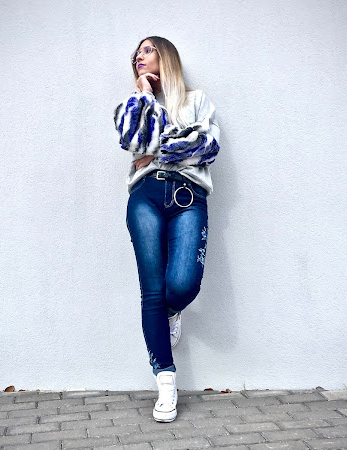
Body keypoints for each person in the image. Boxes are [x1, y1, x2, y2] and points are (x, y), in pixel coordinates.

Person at [113, 36, 221, 422]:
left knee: (182, 285)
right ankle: (166, 382)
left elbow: (206, 146)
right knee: (152, 292)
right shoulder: (133, 104)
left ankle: (171, 312)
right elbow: (134, 142)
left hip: (189, 197)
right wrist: (144, 95)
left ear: (166, 55)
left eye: (147, 50)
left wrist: (159, 149)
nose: (138, 57)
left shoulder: (197, 100)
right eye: (136, 55)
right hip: (145, 197)